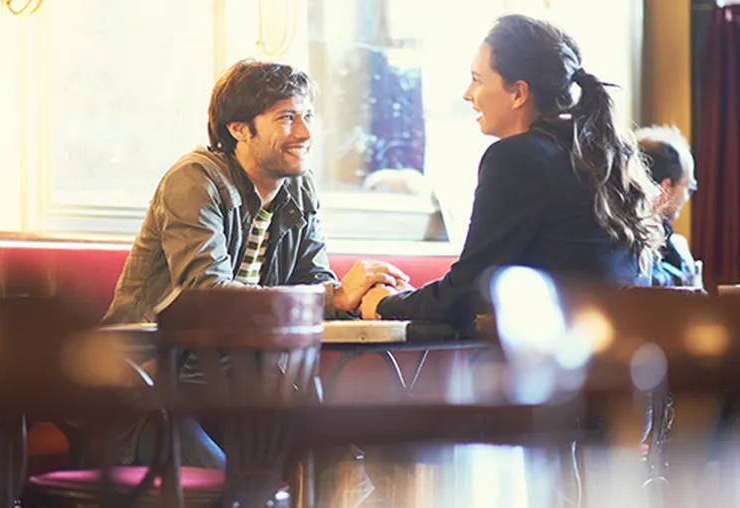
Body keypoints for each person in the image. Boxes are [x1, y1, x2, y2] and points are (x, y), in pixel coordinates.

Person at [101, 58, 408, 472]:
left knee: (337, 462)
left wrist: (372, 296)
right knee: (239, 488)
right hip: (149, 390)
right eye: (286, 118)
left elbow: (315, 279)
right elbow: (207, 295)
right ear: (239, 129)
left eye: (308, 116)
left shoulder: (297, 187)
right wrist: (335, 297)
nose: (305, 133)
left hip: (237, 386)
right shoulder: (195, 180)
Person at [360, 14, 663, 326]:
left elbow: (465, 294)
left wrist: (384, 303)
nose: (467, 94)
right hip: (612, 346)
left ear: (518, 93)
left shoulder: (517, 157)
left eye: (477, 79)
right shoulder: (591, 156)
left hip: (559, 350)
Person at [635, 125, 700, 287]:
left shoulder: (675, 243)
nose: (687, 197)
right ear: (665, 187)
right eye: (689, 187)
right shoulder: (635, 244)